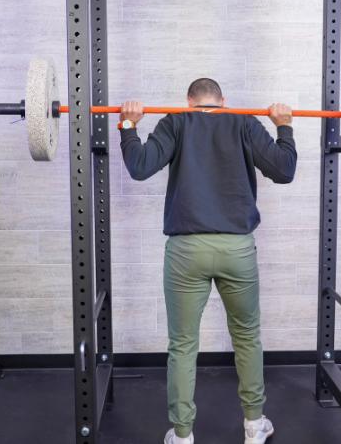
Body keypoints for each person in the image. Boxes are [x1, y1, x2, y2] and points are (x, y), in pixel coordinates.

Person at [118, 78, 297, 444]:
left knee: (182, 345)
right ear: (222, 101)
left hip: (186, 252)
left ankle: (182, 436)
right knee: (247, 338)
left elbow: (139, 166)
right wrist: (284, 127)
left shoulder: (176, 121)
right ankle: (254, 427)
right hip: (237, 250)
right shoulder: (244, 121)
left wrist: (128, 125)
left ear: (190, 101)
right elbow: (284, 169)